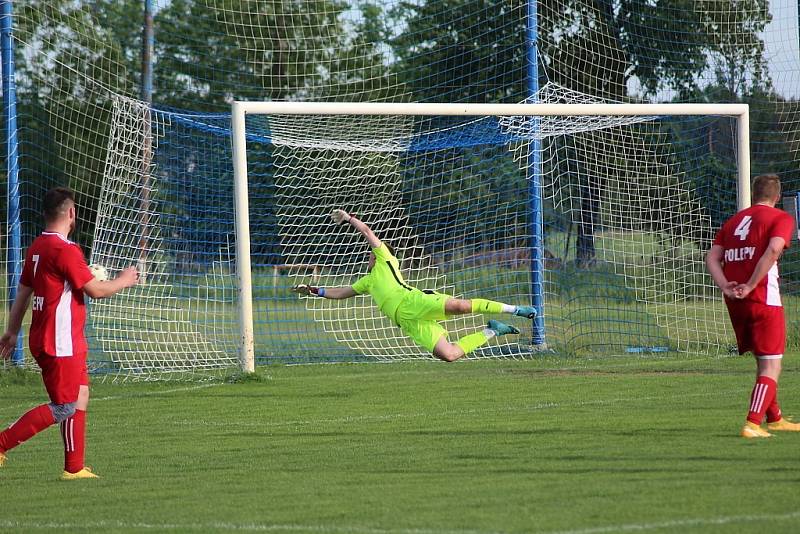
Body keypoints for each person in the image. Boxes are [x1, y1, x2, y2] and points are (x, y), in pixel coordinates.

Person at [0, 187, 139, 478]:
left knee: (81, 394)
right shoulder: (66, 250)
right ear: (72, 213)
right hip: (59, 341)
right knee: (64, 406)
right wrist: (124, 280)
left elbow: (23, 294)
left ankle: (74, 468)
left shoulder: (38, 246)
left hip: (54, 338)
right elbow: (97, 291)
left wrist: (12, 332)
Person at [292, 209, 536, 362]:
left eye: (373, 251)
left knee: (460, 307)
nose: (370, 253)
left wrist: (349, 219)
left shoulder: (386, 260)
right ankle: (493, 330)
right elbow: (340, 293)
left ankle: (515, 310)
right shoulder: (366, 282)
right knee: (448, 355)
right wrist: (314, 291)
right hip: (408, 322)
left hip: (414, 301)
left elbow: (366, 231)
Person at [706, 174, 800, 438]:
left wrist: (725, 285)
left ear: (754, 194)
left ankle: (776, 418)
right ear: (777, 197)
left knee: (764, 360)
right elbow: (773, 251)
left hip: (735, 301)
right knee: (772, 365)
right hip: (762, 298)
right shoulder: (781, 218)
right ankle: (752, 423)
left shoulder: (735, 221)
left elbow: (712, 257)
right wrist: (749, 284)